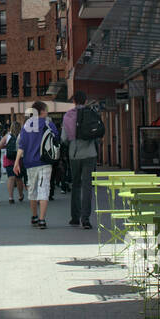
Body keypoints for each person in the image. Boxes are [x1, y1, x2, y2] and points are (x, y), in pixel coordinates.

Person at [63, 91, 104, 230]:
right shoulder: (90, 112)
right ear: (85, 101)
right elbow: (97, 133)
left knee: (76, 184)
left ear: (74, 101)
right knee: (87, 186)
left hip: (74, 154)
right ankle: (85, 219)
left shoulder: (68, 115)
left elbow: (64, 138)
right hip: (90, 153)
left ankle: (75, 217)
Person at [16, 101, 57, 229]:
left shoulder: (27, 125)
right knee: (44, 189)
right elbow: (57, 139)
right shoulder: (48, 123)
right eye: (46, 109)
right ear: (42, 111)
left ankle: (34, 216)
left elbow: (21, 145)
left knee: (32, 190)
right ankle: (42, 220)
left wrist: (17, 162)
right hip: (45, 161)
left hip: (30, 163)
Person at [3, 120, 25, 204]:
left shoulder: (7, 136)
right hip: (18, 159)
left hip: (8, 158)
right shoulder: (22, 136)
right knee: (19, 178)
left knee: (10, 178)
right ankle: (20, 195)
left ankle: (10, 197)